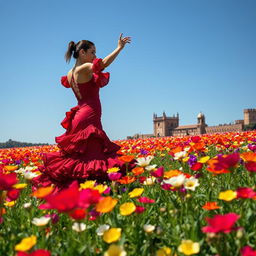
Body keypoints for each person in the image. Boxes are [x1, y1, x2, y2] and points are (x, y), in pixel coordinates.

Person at [35, 34, 132, 188]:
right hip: (89, 115)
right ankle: (96, 189)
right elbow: (103, 64)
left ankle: (79, 188)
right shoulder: (84, 68)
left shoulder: (70, 73)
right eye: (92, 52)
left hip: (80, 114)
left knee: (81, 156)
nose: (95, 55)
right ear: (82, 53)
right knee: (92, 156)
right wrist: (119, 48)